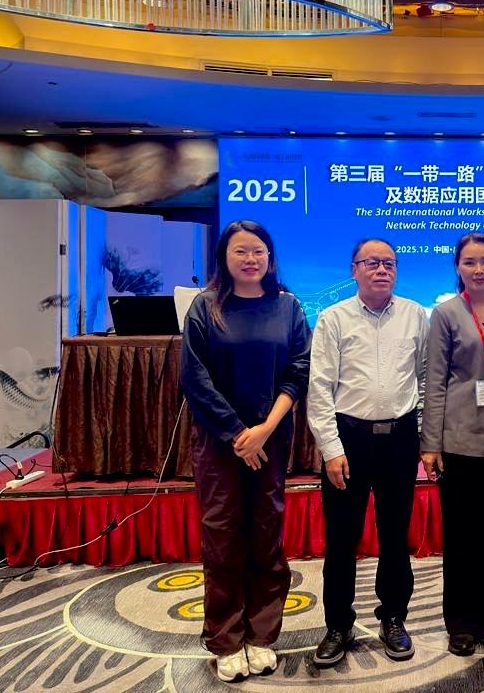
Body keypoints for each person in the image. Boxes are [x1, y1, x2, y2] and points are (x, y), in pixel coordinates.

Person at [180, 220, 311, 683]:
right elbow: (193, 377)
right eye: (241, 251)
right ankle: (225, 639)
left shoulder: (288, 306)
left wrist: (264, 430)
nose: (251, 259)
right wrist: (239, 434)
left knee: (266, 535)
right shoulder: (205, 307)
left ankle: (261, 635)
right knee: (222, 538)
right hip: (220, 443)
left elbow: (298, 371)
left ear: (270, 257)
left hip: (270, 440)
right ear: (225, 257)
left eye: (258, 251)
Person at [306, 238, 429, 668]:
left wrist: (421, 434)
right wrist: (331, 448)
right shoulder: (333, 318)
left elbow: (425, 377)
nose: (382, 270)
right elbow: (320, 388)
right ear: (354, 269)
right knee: (342, 539)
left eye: (389, 263)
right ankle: (338, 625)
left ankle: (393, 618)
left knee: (395, 536)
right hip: (350, 440)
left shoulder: (415, 315)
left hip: (399, 439)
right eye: (372, 263)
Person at [421, 233, 484, 657]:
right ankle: (459, 622)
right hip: (457, 437)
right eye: (469, 262)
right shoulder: (445, 314)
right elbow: (435, 381)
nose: (478, 269)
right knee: (460, 533)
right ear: (457, 267)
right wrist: (430, 444)